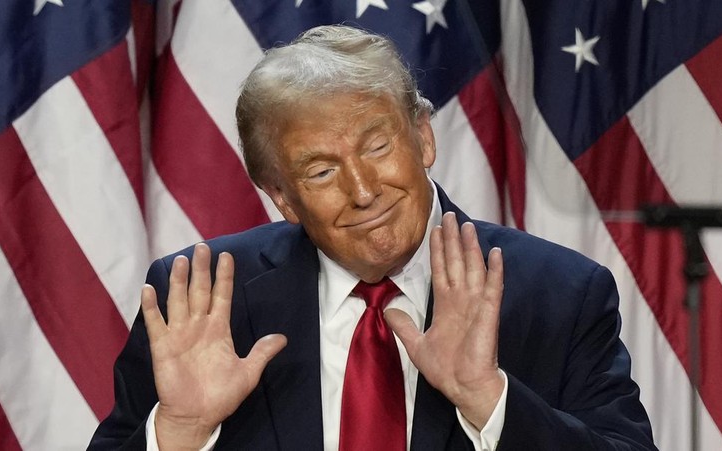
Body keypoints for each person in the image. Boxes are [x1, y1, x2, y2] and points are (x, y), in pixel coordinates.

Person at [89, 25, 656, 450]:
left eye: (378, 146)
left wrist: (490, 400)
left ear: (424, 137)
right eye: (320, 171)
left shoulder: (557, 293)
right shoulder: (203, 299)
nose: (363, 190)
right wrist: (180, 431)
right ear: (282, 196)